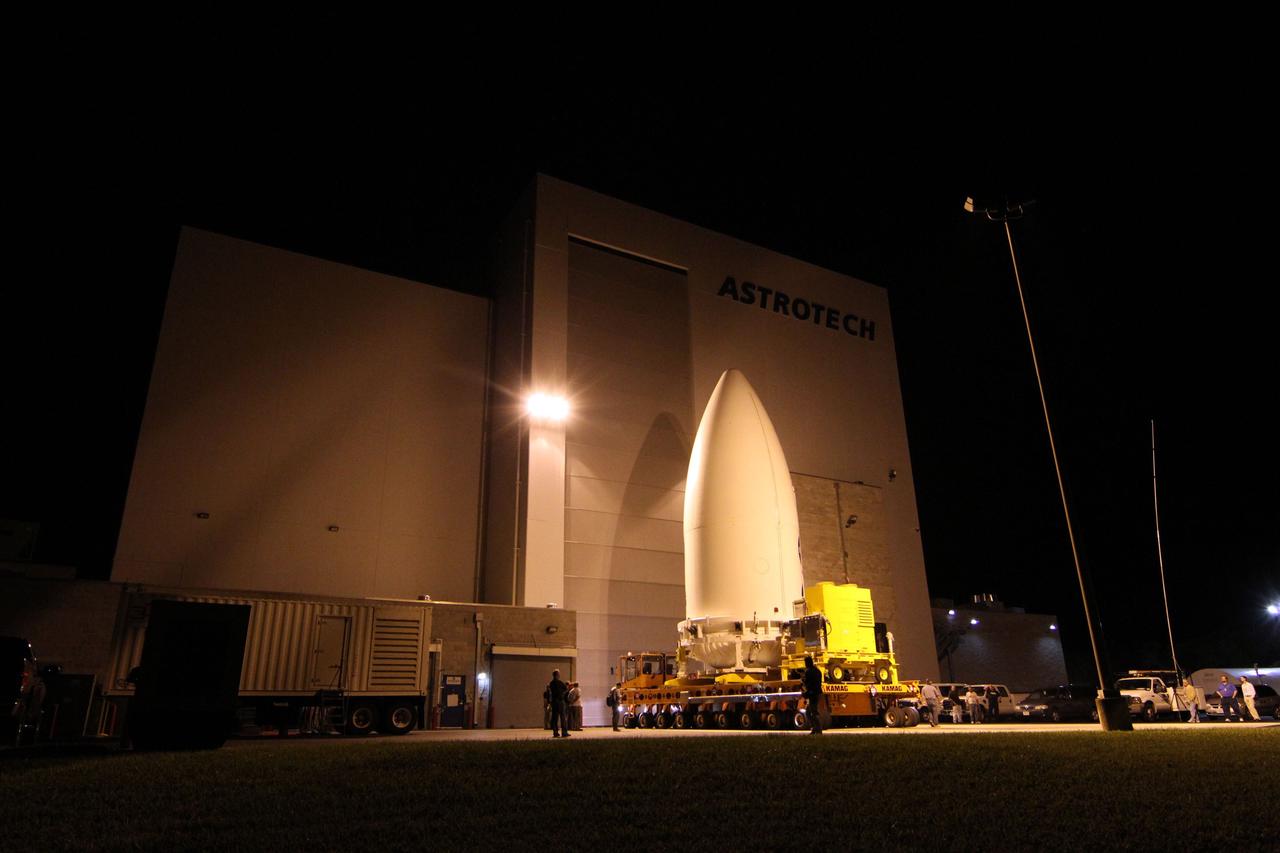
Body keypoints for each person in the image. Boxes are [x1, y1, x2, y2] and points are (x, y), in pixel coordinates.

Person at [802, 655, 824, 734]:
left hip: (812, 693)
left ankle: (817, 729)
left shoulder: (808, 671)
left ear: (807, 663)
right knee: (809, 711)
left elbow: (809, 684)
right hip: (817, 692)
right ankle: (815, 728)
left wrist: (804, 683)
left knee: (813, 712)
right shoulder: (817, 671)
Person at [546, 669, 570, 737]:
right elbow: (566, 689)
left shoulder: (551, 683)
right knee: (563, 717)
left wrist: (549, 703)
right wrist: (563, 694)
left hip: (554, 702)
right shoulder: (560, 682)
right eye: (559, 674)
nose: (559, 675)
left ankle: (555, 732)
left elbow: (549, 694)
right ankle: (564, 732)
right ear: (557, 675)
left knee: (555, 718)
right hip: (560, 702)